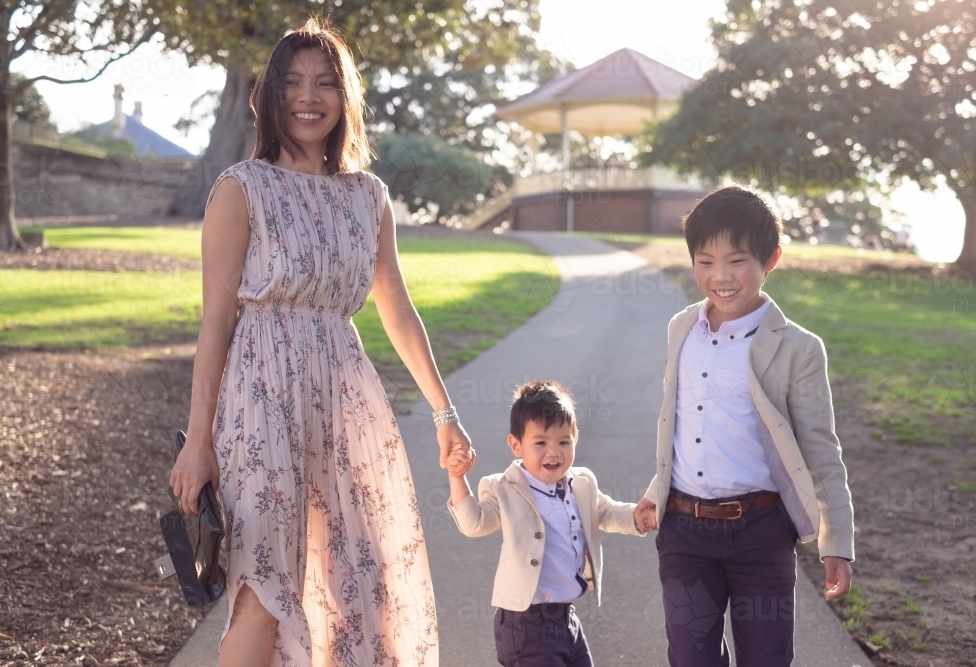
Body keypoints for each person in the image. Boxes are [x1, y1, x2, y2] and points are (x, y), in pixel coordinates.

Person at [168, 19, 471, 667]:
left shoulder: (369, 196)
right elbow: (216, 319)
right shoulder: (240, 188)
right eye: (293, 82)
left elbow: (397, 307)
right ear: (270, 97)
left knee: (355, 582)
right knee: (264, 584)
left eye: (326, 83)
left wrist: (445, 412)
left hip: (345, 399)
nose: (309, 97)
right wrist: (198, 440)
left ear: (346, 98)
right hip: (259, 398)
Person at [634, 186, 854, 666]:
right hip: (685, 532)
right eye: (705, 261)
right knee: (692, 658)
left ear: (771, 258)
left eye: (736, 261)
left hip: (762, 531)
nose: (720, 277)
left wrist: (837, 541)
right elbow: (686, 422)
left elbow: (820, 449)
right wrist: (657, 490)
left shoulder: (799, 348)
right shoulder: (681, 328)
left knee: (767, 657)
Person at [446, 380, 648, 667]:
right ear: (516, 445)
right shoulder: (503, 488)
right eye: (540, 443)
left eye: (563, 442)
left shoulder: (581, 483)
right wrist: (457, 478)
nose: (554, 452)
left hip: (566, 618)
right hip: (525, 623)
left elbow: (606, 512)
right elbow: (474, 523)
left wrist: (636, 517)